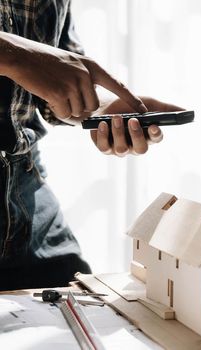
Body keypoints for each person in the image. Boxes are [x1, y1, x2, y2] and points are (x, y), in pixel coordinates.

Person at [0, 1, 181, 291]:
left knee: (85, 318)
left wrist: (104, 109)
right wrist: (15, 55)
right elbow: (34, 60)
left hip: (25, 193)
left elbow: (54, 77)